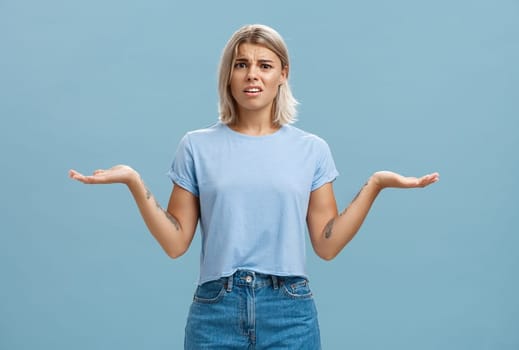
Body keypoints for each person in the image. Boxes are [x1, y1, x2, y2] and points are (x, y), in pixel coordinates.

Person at [69, 24, 439, 350]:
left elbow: (326, 244)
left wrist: (376, 185)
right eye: (241, 64)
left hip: (289, 311)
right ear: (228, 75)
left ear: (283, 74)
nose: (252, 75)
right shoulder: (196, 146)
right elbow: (175, 242)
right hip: (216, 310)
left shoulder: (311, 149)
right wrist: (134, 181)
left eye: (265, 65)